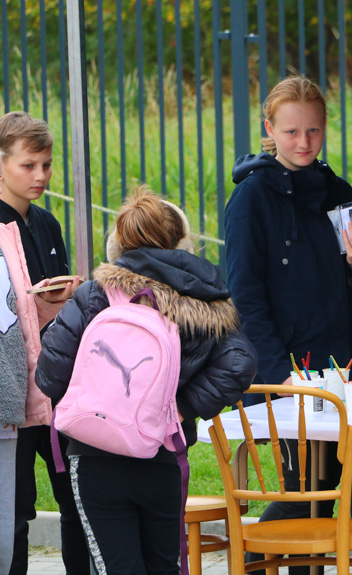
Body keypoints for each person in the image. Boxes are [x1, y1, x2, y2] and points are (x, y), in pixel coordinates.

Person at [35, 187, 258, 574]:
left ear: (119, 242)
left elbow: (50, 378)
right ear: (181, 242)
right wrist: (175, 409)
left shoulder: (93, 295)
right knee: (162, 566)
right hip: (161, 452)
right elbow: (240, 362)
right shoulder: (204, 303)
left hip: (94, 459)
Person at [224, 75, 352, 573]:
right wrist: (279, 373)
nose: (304, 142)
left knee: (323, 492)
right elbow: (244, 296)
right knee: (304, 494)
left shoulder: (339, 191)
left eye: (312, 131)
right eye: (291, 132)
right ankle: (247, 559)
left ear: (325, 128)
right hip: (288, 371)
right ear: (270, 129)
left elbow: (351, 287)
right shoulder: (250, 199)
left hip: (340, 365)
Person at [0, 111, 88, 575]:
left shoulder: (47, 222)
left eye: (47, 166)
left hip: (56, 386)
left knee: (77, 498)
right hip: (11, 392)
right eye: (28, 165)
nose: (40, 176)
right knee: (13, 513)